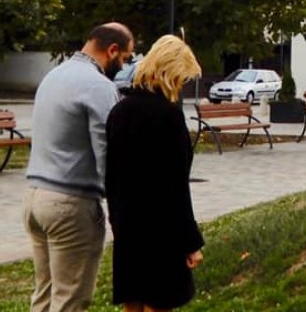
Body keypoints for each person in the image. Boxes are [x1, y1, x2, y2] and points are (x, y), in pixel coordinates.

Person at [23, 21, 136, 312]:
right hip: (71, 205)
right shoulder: (98, 86)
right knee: (70, 300)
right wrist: (121, 207)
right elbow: (108, 152)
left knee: (44, 297)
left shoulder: (53, 76)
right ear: (112, 50)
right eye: (125, 58)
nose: (124, 66)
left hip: (35, 198)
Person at [106, 34, 204, 312]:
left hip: (128, 226)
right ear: (171, 73)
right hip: (163, 230)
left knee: (133, 302)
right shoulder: (168, 116)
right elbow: (175, 187)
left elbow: (111, 176)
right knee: (159, 302)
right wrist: (190, 243)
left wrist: (117, 222)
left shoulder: (119, 111)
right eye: (183, 78)